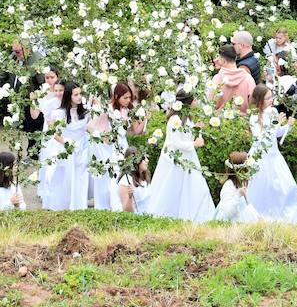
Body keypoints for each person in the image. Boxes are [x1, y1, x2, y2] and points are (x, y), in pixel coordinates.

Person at [143, 91, 215, 223]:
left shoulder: (189, 117)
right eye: (194, 100)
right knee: (172, 188)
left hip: (189, 157)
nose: (196, 102)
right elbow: (176, 143)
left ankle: (199, 215)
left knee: (196, 185)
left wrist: (198, 130)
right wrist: (194, 144)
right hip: (175, 160)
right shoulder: (174, 120)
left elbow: (191, 137)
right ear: (188, 102)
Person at [246, 87, 297, 224]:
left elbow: (277, 133)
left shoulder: (273, 111)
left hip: (274, 156)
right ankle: (258, 216)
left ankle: (286, 217)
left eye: (271, 97)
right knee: (261, 189)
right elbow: (261, 139)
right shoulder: (254, 117)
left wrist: (288, 126)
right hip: (261, 157)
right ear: (260, 101)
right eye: (268, 98)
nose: (271, 100)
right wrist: (276, 123)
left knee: (285, 187)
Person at [89, 81, 144, 211]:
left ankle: (122, 205)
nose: (128, 100)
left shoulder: (129, 110)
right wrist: (103, 135)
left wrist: (144, 119)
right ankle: (111, 206)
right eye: (125, 97)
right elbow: (90, 126)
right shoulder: (106, 109)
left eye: (129, 97)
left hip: (123, 145)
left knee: (124, 175)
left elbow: (135, 131)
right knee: (112, 176)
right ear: (116, 96)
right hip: (110, 148)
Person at [43, 84, 91, 211]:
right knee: (65, 179)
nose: (79, 97)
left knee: (81, 178)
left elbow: (88, 128)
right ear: (69, 96)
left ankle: (79, 206)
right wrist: (67, 143)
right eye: (76, 94)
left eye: (80, 94)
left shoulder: (85, 111)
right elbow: (55, 134)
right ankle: (63, 206)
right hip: (66, 148)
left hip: (82, 148)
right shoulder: (59, 113)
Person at [214, 151, 262, 224]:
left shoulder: (242, 184)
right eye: (247, 169)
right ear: (241, 171)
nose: (249, 172)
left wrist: (256, 215)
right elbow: (228, 212)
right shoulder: (228, 185)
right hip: (230, 221)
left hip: (242, 217)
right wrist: (238, 195)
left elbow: (247, 204)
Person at [211, 44, 256, 113]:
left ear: (223, 60)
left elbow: (210, 103)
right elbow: (254, 103)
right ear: (235, 58)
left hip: (220, 120)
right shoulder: (248, 79)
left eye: (219, 58)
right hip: (243, 120)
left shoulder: (217, 79)